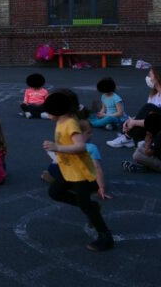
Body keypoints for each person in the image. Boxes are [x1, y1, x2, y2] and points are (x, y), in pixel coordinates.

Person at [42, 89, 114, 252]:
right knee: (55, 192)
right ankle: (91, 206)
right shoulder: (61, 120)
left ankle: (105, 236)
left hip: (80, 174)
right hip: (69, 171)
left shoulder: (70, 123)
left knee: (86, 206)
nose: (48, 111)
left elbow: (81, 146)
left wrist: (57, 147)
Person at [107, 66, 161, 149]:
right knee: (125, 124)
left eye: (150, 75)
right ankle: (134, 138)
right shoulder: (154, 95)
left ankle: (128, 137)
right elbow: (146, 116)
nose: (148, 78)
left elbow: (156, 121)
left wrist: (133, 123)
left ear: (158, 78)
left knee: (148, 109)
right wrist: (130, 121)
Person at [42, 120, 111, 200]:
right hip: (72, 174)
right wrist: (101, 187)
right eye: (88, 133)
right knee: (92, 185)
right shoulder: (91, 148)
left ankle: (53, 178)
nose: (91, 135)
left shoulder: (66, 143)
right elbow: (97, 168)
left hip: (55, 169)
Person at [122, 108, 161, 174]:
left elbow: (148, 153)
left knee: (136, 155)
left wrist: (148, 138)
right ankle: (149, 164)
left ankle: (147, 167)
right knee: (141, 146)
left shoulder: (158, 137)